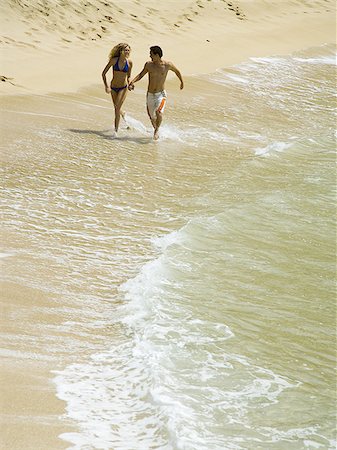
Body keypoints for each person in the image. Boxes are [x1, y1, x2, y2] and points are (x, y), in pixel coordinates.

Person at [128, 46, 184, 140]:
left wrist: (182, 82)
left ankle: (156, 130)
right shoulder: (149, 65)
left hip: (161, 95)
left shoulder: (167, 65)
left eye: (151, 54)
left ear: (157, 55)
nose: (150, 56)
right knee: (151, 116)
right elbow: (141, 75)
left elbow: (177, 71)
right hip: (150, 94)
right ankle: (156, 129)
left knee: (159, 112)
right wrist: (132, 82)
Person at [102, 43, 133, 136]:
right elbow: (103, 73)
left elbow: (129, 76)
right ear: (121, 51)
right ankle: (123, 113)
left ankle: (116, 132)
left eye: (128, 50)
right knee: (117, 108)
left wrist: (131, 84)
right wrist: (106, 86)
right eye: (125, 50)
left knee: (116, 108)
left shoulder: (129, 62)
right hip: (113, 87)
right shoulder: (114, 61)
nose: (127, 52)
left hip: (123, 88)